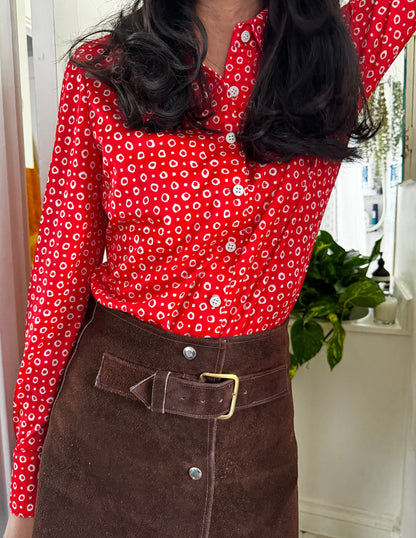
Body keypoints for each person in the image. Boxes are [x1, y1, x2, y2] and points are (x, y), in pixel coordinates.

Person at [4, 0, 416, 536]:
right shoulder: (107, 72)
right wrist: (24, 498)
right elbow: (57, 287)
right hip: (102, 442)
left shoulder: (338, 52)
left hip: (253, 451)